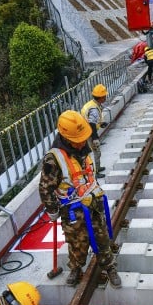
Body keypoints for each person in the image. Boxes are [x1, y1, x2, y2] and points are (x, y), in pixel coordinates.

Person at [39, 110, 120, 287]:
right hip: (73, 210)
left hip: (94, 204)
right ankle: (76, 268)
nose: (82, 141)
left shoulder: (83, 147)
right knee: (77, 242)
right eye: (78, 139)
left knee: (102, 237)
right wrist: (52, 210)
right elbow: (45, 188)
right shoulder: (54, 159)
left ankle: (109, 266)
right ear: (66, 137)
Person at [80, 83, 108, 177]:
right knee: (96, 152)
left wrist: (100, 123)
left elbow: (90, 120)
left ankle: (98, 167)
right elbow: (91, 124)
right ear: (101, 97)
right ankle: (96, 172)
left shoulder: (91, 104)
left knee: (93, 153)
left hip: (85, 132)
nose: (105, 97)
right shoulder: (94, 109)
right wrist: (95, 138)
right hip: (90, 134)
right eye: (104, 96)